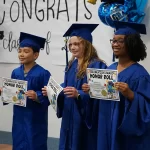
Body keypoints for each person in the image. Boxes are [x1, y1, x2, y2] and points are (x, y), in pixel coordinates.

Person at [83, 21, 150, 150]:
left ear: (131, 43)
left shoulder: (140, 75)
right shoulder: (110, 69)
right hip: (105, 124)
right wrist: (92, 90)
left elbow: (147, 107)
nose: (115, 44)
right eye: (113, 41)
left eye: (120, 41)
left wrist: (131, 95)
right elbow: (103, 96)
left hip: (124, 131)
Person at [42, 23, 107, 150]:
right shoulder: (71, 65)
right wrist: (53, 90)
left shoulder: (97, 65)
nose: (72, 47)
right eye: (70, 44)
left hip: (84, 118)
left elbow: (102, 93)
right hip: (69, 115)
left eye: (77, 44)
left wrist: (79, 95)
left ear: (86, 44)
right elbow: (67, 86)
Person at [10, 32, 50, 150]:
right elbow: (12, 92)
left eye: (26, 51)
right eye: (20, 51)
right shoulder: (16, 72)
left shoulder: (43, 73)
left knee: (34, 143)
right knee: (18, 142)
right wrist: (5, 92)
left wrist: (37, 96)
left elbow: (49, 96)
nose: (21, 54)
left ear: (35, 55)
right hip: (19, 117)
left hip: (35, 119)